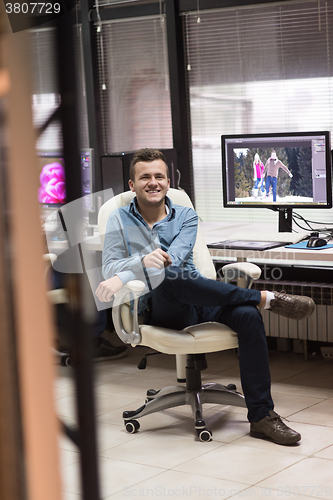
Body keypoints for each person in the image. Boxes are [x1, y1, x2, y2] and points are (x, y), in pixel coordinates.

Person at [95, 148, 315, 446]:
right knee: (167, 276)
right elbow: (109, 267)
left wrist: (140, 264)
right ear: (132, 185)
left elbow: (176, 256)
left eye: (159, 176)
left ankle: (262, 417)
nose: (153, 182)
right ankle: (265, 297)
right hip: (163, 307)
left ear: (168, 182)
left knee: (247, 316)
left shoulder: (185, 214)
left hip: (200, 296)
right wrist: (142, 262)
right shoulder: (119, 219)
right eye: (144, 177)